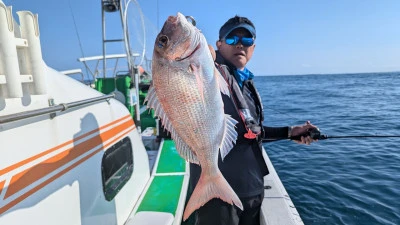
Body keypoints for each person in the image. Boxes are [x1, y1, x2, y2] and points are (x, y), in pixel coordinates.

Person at [188, 15, 319, 225]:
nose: (240, 44)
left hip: (252, 189)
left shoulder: (246, 84)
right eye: (232, 39)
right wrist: (197, 49)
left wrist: (289, 132)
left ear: (253, 48)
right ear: (218, 45)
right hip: (218, 195)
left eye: (247, 41)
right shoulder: (208, 74)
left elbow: (250, 131)